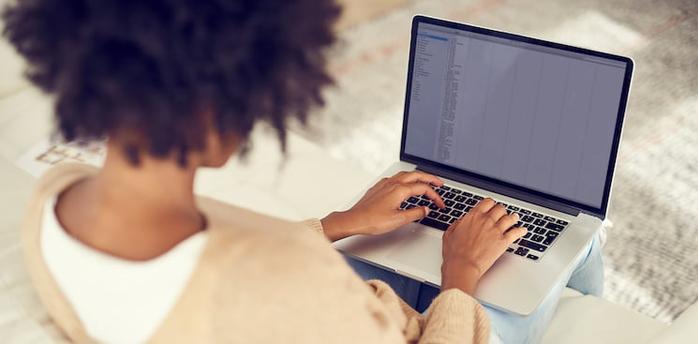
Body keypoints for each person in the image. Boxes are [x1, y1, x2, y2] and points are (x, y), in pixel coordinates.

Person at [4, 0, 603, 343]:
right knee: (583, 239)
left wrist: (341, 222)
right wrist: (460, 274)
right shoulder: (290, 286)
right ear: (214, 109)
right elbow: (274, 282)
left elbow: (227, 256)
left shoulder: (58, 197)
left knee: (411, 247)